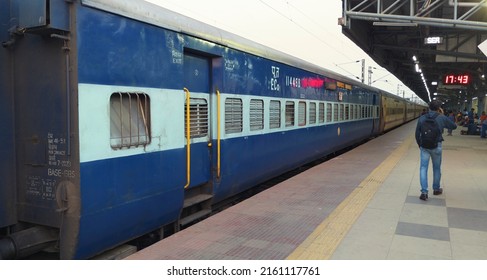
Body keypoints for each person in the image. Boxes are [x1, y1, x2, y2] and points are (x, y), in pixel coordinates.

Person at [415, 100, 457, 201]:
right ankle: (436, 189)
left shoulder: (422, 117)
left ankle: (424, 192)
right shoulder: (441, 117)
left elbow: (417, 134)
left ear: (429, 107)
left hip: (424, 146)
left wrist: (420, 145)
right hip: (437, 146)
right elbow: (454, 126)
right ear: (439, 108)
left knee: (423, 168)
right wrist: (442, 114)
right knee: (437, 168)